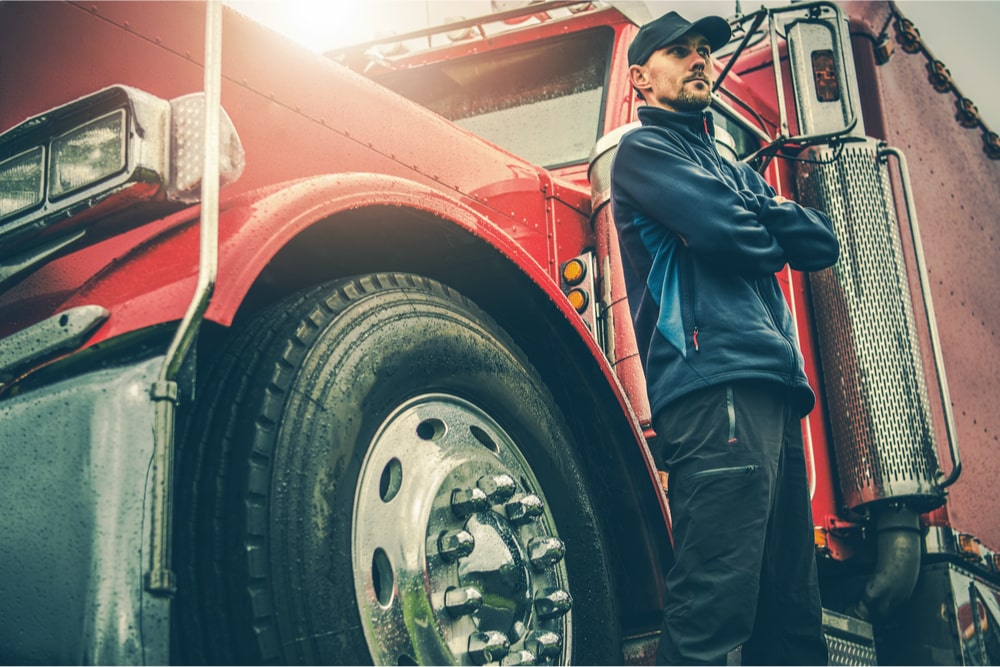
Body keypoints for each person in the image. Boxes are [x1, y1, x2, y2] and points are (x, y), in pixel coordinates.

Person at [609, 10, 840, 666]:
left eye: (704, 50)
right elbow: (733, 236)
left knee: (792, 615)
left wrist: (752, 213)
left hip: (771, 388)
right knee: (715, 602)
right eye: (680, 52)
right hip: (716, 387)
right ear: (640, 79)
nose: (699, 60)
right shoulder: (645, 152)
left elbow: (819, 240)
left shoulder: (729, 165)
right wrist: (761, 219)